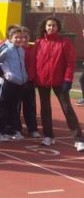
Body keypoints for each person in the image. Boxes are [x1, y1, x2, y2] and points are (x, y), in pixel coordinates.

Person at [34, 16, 84, 151]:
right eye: (49, 25)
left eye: (54, 26)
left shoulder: (65, 42)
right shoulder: (38, 42)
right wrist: (34, 78)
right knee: (45, 109)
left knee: (67, 108)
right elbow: (34, 61)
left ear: (58, 27)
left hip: (60, 81)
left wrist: (68, 80)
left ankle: (79, 139)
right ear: (45, 26)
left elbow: (70, 63)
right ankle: (48, 136)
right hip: (42, 81)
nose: (51, 28)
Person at [0, 26, 28, 141]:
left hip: (20, 83)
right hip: (8, 82)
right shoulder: (6, 49)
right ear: (10, 38)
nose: (19, 39)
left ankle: (13, 130)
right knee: (3, 106)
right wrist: (4, 75)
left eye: (21, 37)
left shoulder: (21, 50)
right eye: (16, 37)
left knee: (14, 107)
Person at [19, 26, 41, 138]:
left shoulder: (34, 48)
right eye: (21, 37)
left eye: (26, 36)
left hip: (29, 82)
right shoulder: (14, 49)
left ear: (29, 37)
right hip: (17, 82)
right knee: (15, 107)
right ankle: (16, 129)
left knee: (30, 107)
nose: (23, 39)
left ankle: (32, 129)